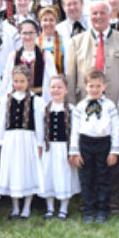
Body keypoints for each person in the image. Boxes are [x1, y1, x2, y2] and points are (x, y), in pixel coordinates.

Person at [66, 0, 119, 214]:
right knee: (87, 160)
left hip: (113, 108)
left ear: (110, 15)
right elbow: (70, 77)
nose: (98, 17)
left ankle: (111, 199)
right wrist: (72, 105)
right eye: (94, 14)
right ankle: (89, 199)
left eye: (102, 13)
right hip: (85, 111)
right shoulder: (76, 42)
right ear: (88, 16)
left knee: (111, 158)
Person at [69, 69, 119, 224]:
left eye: (98, 86)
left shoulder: (110, 106)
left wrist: (114, 150)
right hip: (85, 143)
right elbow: (75, 130)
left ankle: (103, 210)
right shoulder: (80, 106)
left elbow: (115, 129)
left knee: (103, 177)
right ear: (85, 86)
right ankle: (89, 210)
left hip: (103, 143)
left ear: (104, 86)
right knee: (87, 177)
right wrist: (75, 151)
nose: (95, 89)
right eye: (91, 86)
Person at [0, 64, 45, 219]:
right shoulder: (6, 99)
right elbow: (1, 121)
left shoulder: (35, 101)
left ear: (28, 82)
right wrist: (2, 139)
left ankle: (27, 207)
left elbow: (39, 123)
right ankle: (15, 207)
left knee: (27, 171)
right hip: (11, 140)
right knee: (13, 172)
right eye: (16, 81)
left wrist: (39, 143)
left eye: (22, 81)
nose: (18, 84)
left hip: (27, 140)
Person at [39, 75, 80, 220]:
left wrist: (73, 151)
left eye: (59, 87)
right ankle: (50, 208)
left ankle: (63, 208)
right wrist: (40, 146)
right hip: (48, 148)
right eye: (53, 87)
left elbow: (75, 131)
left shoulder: (71, 109)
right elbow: (40, 129)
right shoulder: (44, 108)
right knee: (48, 175)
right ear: (49, 90)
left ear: (66, 90)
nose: (56, 90)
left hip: (64, 148)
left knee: (64, 176)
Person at [3, 19, 56, 101]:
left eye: (31, 33)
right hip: (18, 100)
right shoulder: (13, 56)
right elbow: (7, 81)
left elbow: (51, 80)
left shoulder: (45, 55)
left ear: (37, 34)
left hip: (39, 100)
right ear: (20, 34)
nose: (28, 37)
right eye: (24, 33)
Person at [36, 6, 67, 75]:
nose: (48, 23)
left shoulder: (64, 41)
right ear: (40, 23)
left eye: (51, 20)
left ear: (56, 22)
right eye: (45, 20)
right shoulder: (35, 42)